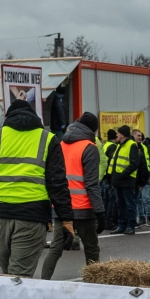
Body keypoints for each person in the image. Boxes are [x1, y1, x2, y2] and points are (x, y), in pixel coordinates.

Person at [0, 98, 70, 276]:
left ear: (8, 117)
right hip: (31, 214)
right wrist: (66, 219)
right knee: (19, 277)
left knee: (9, 275)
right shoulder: (47, 138)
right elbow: (57, 182)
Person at [40, 112, 103, 280]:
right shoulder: (89, 147)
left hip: (63, 208)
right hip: (84, 209)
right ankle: (93, 283)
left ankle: (43, 281)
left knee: (55, 248)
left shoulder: (61, 144)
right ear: (93, 130)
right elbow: (91, 184)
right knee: (91, 248)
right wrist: (100, 211)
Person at [105, 126, 146, 236]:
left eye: (118, 133)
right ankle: (121, 225)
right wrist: (113, 178)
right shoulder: (120, 145)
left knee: (129, 204)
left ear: (122, 135)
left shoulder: (131, 145)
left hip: (127, 180)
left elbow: (134, 164)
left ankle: (130, 226)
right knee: (120, 204)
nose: (117, 135)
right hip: (118, 180)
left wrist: (122, 175)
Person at [131, 128, 150, 227]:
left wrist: (148, 174)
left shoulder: (144, 147)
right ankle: (141, 218)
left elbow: (147, 161)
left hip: (145, 176)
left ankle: (149, 218)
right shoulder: (133, 146)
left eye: (141, 136)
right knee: (138, 200)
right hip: (136, 176)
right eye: (138, 136)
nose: (140, 137)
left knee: (146, 198)